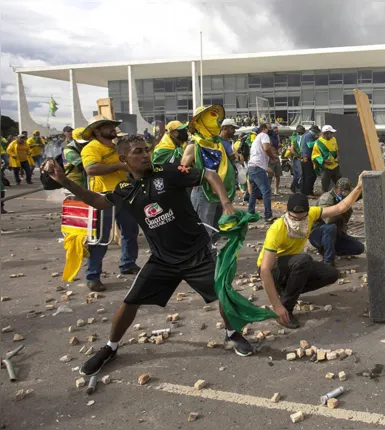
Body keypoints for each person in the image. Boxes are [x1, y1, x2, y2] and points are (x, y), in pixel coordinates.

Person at [43, 136, 256, 375]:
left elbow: (208, 174)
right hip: (163, 259)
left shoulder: (170, 170)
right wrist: (63, 181)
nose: (145, 155)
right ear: (124, 159)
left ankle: (232, 333)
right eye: (138, 152)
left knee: (223, 294)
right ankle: (110, 347)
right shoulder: (124, 189)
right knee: (130, 302)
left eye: (146, 150)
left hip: (198, 253)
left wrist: (226, 204)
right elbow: (97, 201)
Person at [258, 179, 365, 329]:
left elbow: (341, 207)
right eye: (294, 217)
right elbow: (264, 270)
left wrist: (359, 186)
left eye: (302, 217)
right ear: (287, 212)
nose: (298, 220)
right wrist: (276, 305)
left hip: (292, 265)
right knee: (304, 260)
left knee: (331, 273)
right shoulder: (277, 229)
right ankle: (286, 308)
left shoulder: (312, 214)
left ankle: (287, 291)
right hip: (273, 270)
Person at [80, 115, 141, 291]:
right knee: (100, 238)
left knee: (130, 231)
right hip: (102, 196)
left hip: (124, 193)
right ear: (97, 130)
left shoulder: (115, 147)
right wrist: (119, 167)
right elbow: (91, 169)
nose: (113, 128)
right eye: (108, 126)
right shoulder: (92, 148)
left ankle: (128, 263)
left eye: (113, 125)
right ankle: (93, 275)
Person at [181, 105, 237, 247]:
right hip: (203, 192)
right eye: (211, 117)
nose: (217, 120)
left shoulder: (217, 144)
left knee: (217, 228)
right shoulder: (194, 145)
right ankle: (203, 260)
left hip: (220, 192)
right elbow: (183, 171)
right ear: (202, 122)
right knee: (204, 229)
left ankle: (208, 254)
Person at [309, 178, 365, 267]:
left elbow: (358, 194)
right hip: (318, 233)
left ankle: (329, 249)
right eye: (345, 193)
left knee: (359, 248)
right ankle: (328, 261)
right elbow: (328, 220)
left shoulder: (343, 196)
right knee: (331, 227)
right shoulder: (326, 198)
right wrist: (342, 207)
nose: (347, 197)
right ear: (338, 190)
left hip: (336, 234)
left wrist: (363, 184)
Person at [247, 123, 276, 222]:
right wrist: (272, 157)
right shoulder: (264, 135)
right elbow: (266, 148)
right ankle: (268, 216)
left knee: (253, 193)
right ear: (264, 129)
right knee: (266, 191)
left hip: (252, 167)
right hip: (257, 168)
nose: (271, 130)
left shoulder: (256, 138)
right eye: (269, 128)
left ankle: (250, 214)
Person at [312, 125, 340, 194]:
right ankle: (325, 199)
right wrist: (324, 161)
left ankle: (341, 199)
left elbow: (336, 150)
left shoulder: (334, 139)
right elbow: (315, 156)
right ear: (326, 133)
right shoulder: (318, 143)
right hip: (325, 168)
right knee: (325, 186)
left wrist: (338, 157)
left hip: (335, 166)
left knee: (340, 184)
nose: (332, 135)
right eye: (331, 133)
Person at [299, 125, 319, 196]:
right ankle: (307, 192)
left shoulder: (308, 135)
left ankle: (307, 191)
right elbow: (310, 145)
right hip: (307, 158)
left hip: (308, 157)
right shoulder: (308, 135)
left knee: (310, 176)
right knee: (309, 176)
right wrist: (318, 140)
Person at [288, 126, 305, 193]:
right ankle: (296, 188)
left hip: (295, 158)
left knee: (296, 174)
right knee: (300, 174)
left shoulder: (293, 137)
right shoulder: (296, 138)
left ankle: (294, 187)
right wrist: (298, 155)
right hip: (297, 158)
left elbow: (290, 148)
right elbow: (291, 149)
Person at [268, 125, 282, 196]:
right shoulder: (268, 137)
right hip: (270, 157)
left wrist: (278, 150)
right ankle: (268, 190)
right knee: (269, 175)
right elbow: (268, 147)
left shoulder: (277, 137)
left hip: (276, 156)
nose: (276, 132)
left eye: (277, 131)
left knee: (278, 174)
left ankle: (276, 190)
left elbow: (279, 146)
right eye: (275, 131)